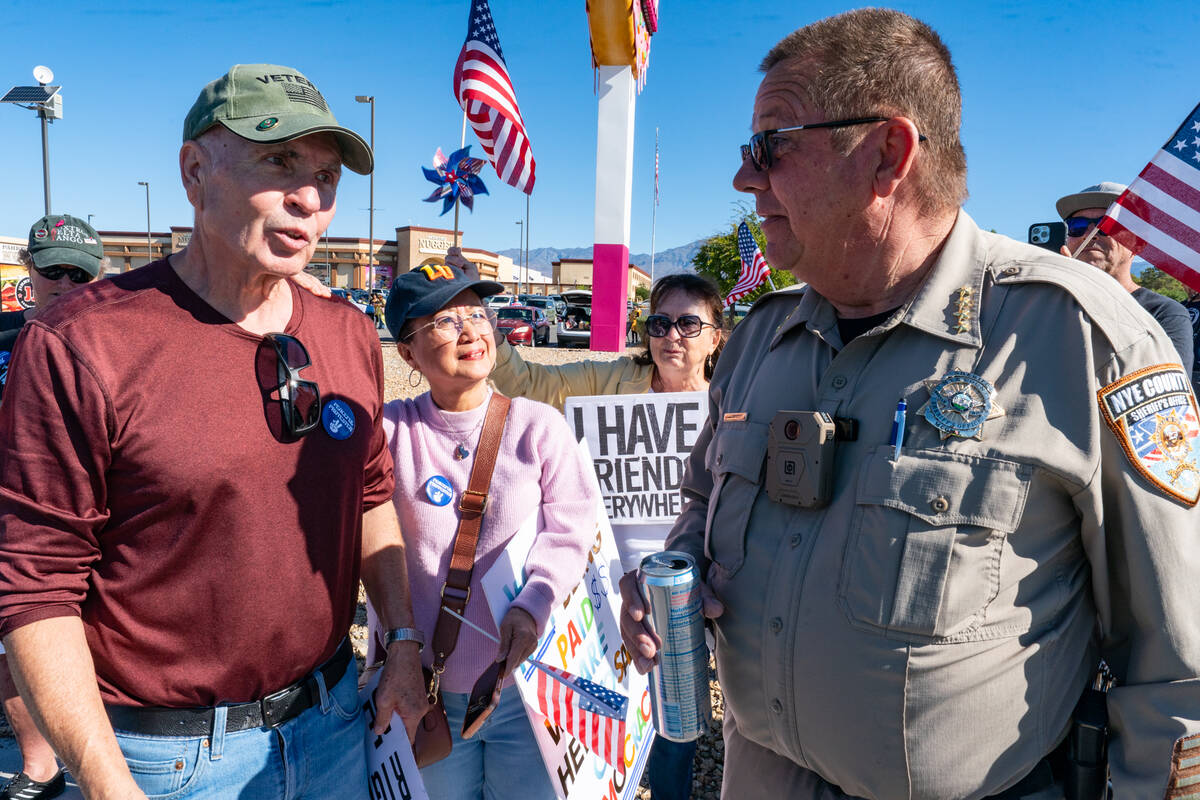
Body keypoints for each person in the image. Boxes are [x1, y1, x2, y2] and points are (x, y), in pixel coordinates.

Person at [618, 9, 1200, 799]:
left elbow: (1178, 666)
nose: (745, 177)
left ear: (887, 153)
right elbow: (700, 497)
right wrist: (674, 567)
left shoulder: (1075, 337)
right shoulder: (763, 337)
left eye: (771, 145)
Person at [0, 64, 427, 799]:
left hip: (332, 726)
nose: (308, 197)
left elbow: (371, 496)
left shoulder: (350, 335)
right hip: (158, 762)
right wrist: (106, 782)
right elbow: (36, 588)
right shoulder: (81, 344)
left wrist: (406, 643)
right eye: (279, 160)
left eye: (326, 176)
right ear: (195, 172)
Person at [452, 249, 723, 800]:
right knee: (606, 696)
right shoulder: (615, 377)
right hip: (604, 574)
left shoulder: (732, 401)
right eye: (660, 322)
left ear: (716, 336)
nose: (673, 335)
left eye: (690, 323)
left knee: (677, 700)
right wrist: (478, 306)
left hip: (689, 576)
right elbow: (525, 380)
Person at [382, 263, 598, 800]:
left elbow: (573, 524)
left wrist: (534, 604)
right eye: (445, 321)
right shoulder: (390, 431)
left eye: (477, 313)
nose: (472, 331)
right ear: (407, 352)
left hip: (525, 689)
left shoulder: (537, 425)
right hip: (427, 692)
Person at [0, 214, 105, 800]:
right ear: (30, 272)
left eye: (79, 273)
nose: (66, 283)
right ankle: (40, 764)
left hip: (89, 521)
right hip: (12, 518)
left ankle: (97, 751)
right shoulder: (4, 337)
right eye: (53, 272)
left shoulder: (114, 342)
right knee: (16, 637)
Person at [1057, 182, 1193, 367]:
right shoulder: (1050, 302)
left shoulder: (1165, 314)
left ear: (1138, 244)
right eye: (1077, 226)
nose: (1090, 234)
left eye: (1107, 225)